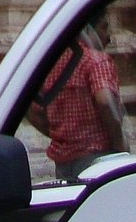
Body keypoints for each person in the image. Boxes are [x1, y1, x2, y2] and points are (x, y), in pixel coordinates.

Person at [28, 17, 126, 181]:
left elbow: (32, 112)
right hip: (97, 159)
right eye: (104, 28)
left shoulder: (52, 65)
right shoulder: (97, 62)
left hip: (63, 164)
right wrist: (119, 144)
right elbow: (105, 102)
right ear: (87, 30)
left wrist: (61, 135)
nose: (108, 36)